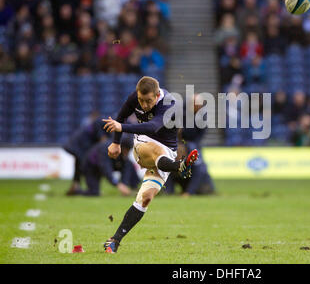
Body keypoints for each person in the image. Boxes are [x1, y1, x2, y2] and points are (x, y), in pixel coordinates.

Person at [100, 76, 198, 253]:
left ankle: (114, 240)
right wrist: (116, 142)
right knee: (155, 152)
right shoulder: (135, 97)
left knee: (145, 199)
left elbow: (153, 126)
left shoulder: (169, 103)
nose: (144, 105)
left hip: (167, 152)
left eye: (148, 101)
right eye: (141, 101)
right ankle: (179, 167)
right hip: (144, 143)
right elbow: (120, 117)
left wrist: (121, 128)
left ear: (158, 94)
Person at [165, 94, 215, 197]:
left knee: (198, 162)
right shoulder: (181, 111)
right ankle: (167, 190)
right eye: (196, 104)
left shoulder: (202, 116)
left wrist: (189, 144)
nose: (198, 106)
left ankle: (206, 186)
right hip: (177, 141)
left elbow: (200, 135)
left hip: (191, 142)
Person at [63, 112, 110, 195]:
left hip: (77, 145)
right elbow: (103, 141)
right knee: (85, 164)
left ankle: (76, 185)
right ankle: (85, 187)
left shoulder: (94, 126)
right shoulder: (99, 124)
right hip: (79, 146)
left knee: (79, 163)